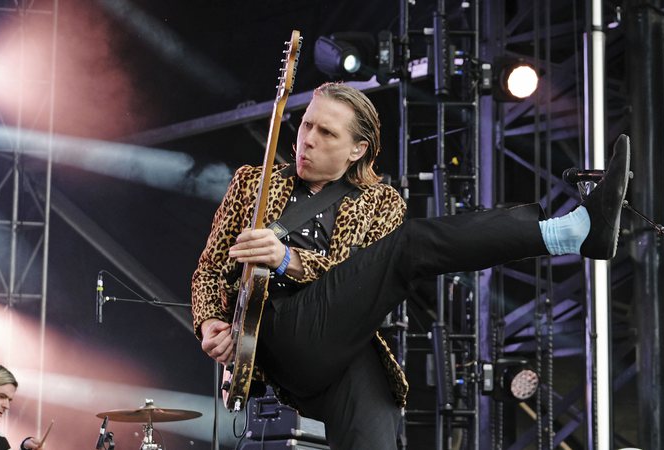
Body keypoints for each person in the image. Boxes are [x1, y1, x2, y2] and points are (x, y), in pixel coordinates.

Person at [191, 82, 630, 450]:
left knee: (376, 421)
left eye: (326, 133)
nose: (307, 139)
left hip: (338, 343)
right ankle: (565, 233)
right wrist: (211, 323)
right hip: (274, 338)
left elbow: (357, 277)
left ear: (357, 149)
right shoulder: (253, 181)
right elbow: (209, 270)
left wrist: (288, 258)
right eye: (306, 123)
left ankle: (573, 233)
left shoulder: (381, 203)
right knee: (412, 245)